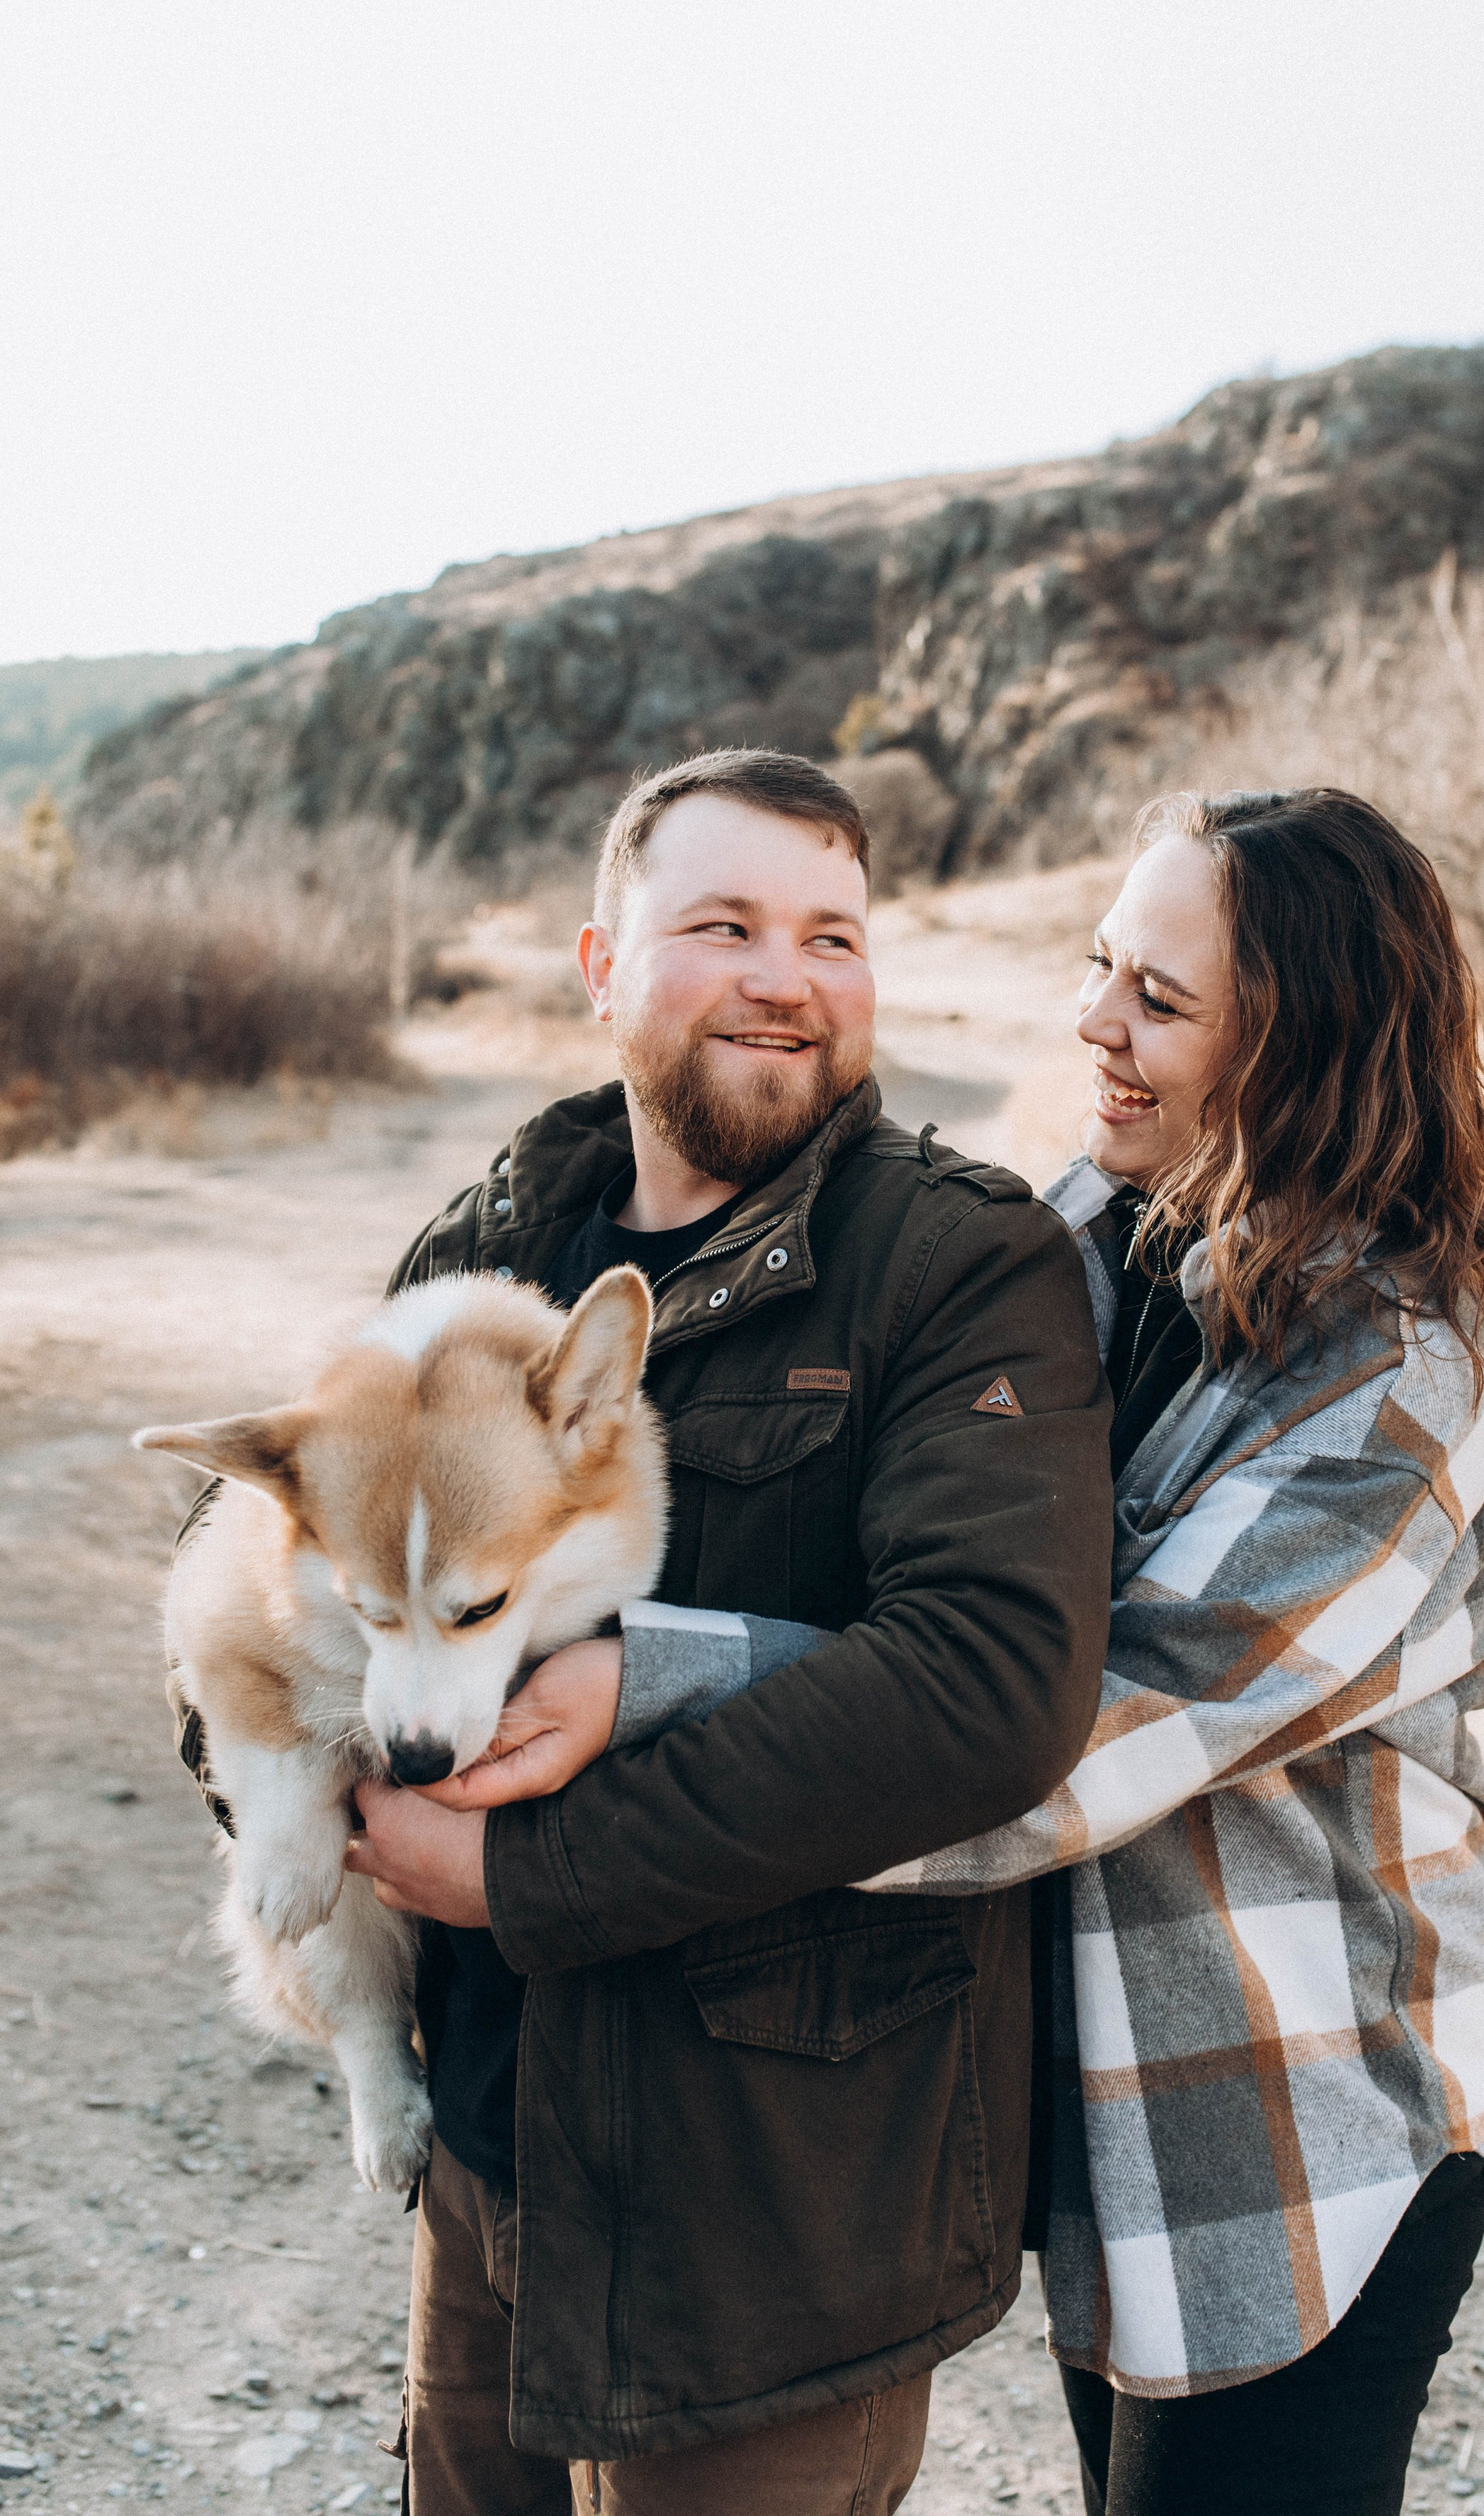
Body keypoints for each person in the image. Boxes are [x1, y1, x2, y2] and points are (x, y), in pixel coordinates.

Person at [493, 786, 1484, 2516]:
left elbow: (1047, 1739)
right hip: (1088, 2117)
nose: (1092, 1024)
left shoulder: (1397, 1387)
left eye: (1158, 999)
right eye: (1096, 968)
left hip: (1281, 2149)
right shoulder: (1077, 1236)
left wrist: (627, 1698)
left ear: (1301, 1050)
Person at [338, 747, 1114, 2515]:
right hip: (491, 2159)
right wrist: (300, 1804)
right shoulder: (493, 1239)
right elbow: (265, 1550)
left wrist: (527, 1875)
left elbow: (986, 1687)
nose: (788, 974)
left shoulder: (952, 1260)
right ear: (603, 963)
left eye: (831, 934)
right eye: (725, 923)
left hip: (772, 2225)